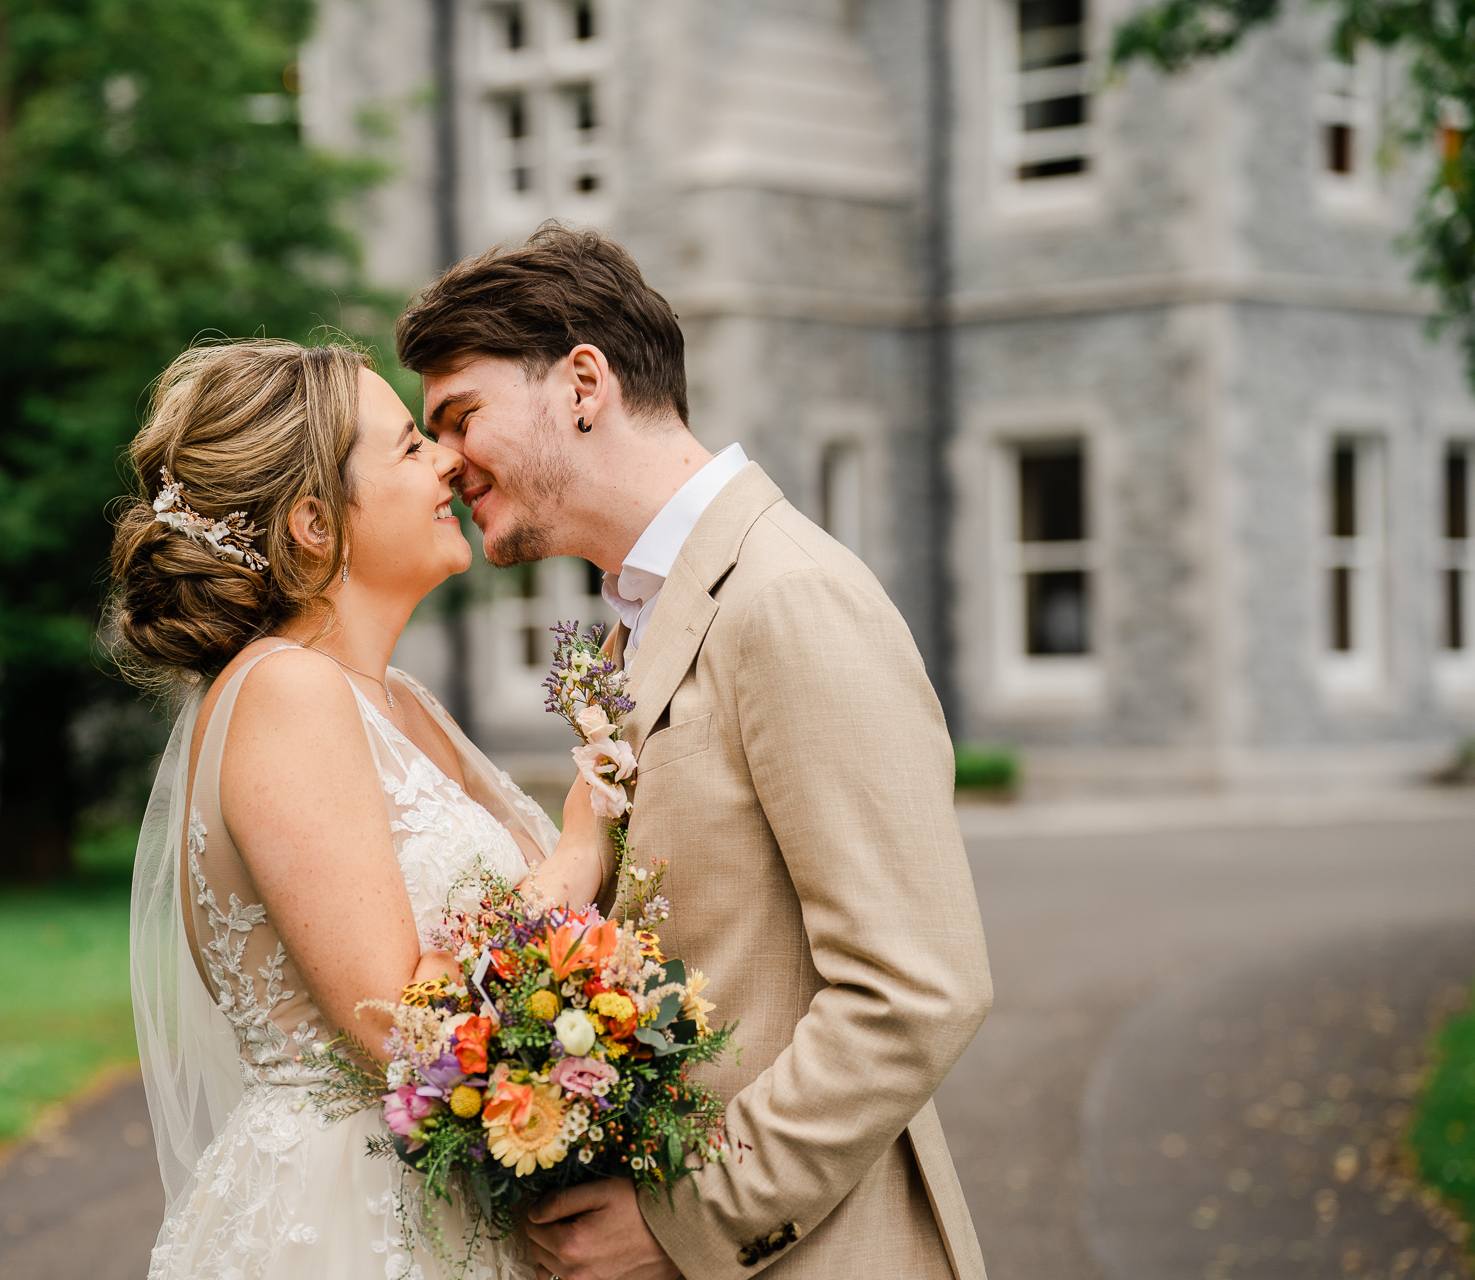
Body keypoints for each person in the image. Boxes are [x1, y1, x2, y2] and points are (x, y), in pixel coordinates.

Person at [396, 223, 994, 1280]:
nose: (442, 461)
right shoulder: (641, 623)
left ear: (585, 383)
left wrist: (688, 1217)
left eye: (460, 415)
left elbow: (917, 986)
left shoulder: (788, 596)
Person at [111, 339, 609, 1279]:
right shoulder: (286, 695)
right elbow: (400, 1026)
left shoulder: (404, 702)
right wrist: (577, 850)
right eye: (411, 447)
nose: (450, 462)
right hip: (353, 1216)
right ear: (312, 519)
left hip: (465, 1193)